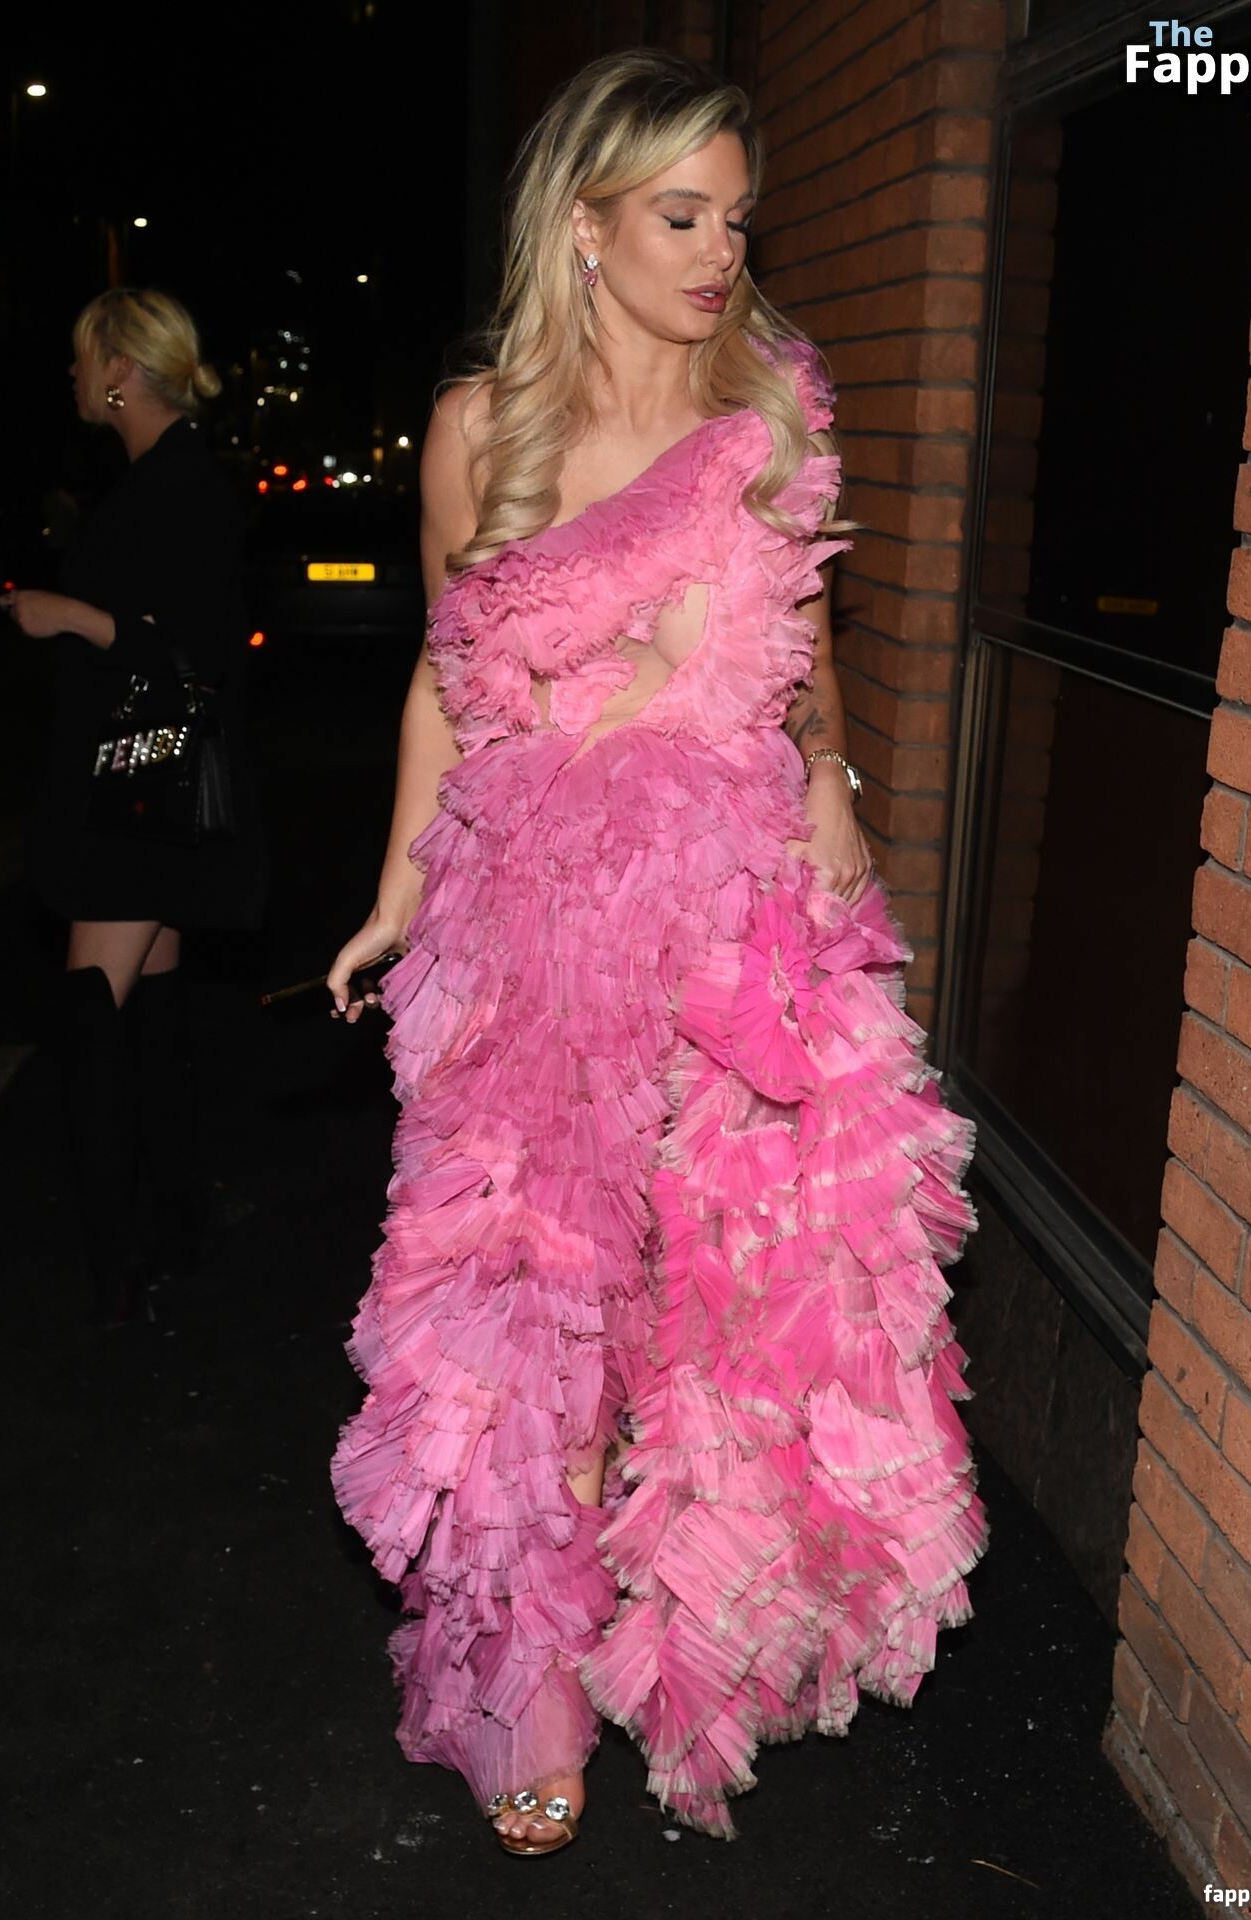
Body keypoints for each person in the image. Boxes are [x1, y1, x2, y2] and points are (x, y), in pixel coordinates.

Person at [327, 49, 985, 1853]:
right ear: (583, 224)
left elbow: (804, 650)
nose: (716, 253)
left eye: (733, 220)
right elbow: (446, 682)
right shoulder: (481, 429)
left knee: (713, 1303)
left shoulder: (768, 407)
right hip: (532, 929)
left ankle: (681, 1650)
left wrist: (833, 781)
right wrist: (393, 895)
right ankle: (528, 1692)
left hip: (730, 921)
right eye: (678, 216)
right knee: (531, 1303)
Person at [1, 288, 267, 1325]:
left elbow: (195, 651)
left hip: (138, 793)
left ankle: (117, 1272)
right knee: (146, 1010)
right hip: (145, 788)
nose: (72, 377)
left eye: (82, 359)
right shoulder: (166, 474)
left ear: (119, 368)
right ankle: (176, 1222)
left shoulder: (180, 482)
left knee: (92, 1018)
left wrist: (65, 613)